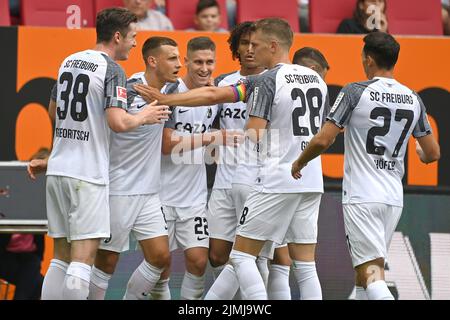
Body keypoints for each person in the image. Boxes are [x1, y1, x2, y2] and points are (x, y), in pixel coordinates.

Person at [135, 18, 329, 300]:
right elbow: (216, 93)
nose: (251, 50)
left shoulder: (267, 80)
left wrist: (171, 103)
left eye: (257, 45)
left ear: (273, 46)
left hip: (271, 180)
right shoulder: (316, 81)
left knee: (243, 257)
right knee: (306, 265)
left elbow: (252, 132)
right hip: (309, 180)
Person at [27, 8, 170, 300]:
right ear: (117, 36)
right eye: (132, 37)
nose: (133, 43)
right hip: (87, 175)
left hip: (59, 171)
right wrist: (145, 115)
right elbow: (119, 123)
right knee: (83, 260)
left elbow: (55, 112)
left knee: (60, 257)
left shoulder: (69, 60)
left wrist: (58, 150)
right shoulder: (112, 69)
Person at [291, 31, 440, 300]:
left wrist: (300, 161)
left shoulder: (354, 92)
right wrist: (418, 150)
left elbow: (324, 140)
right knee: (365, 274)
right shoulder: (413, 97)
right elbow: (432, 153)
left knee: (372, 275)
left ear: (368, 59)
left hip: (362, 197)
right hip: (393, 198)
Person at [87, 36, 182, 300]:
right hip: (119, 189)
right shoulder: (128, 90)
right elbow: (103, 127)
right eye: (172, 58)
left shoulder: (172, 90)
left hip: (149, 192)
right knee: (106, 262)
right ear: (153, 61)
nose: (179, 65)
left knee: (160, 257)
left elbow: (201, 88)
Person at [150, 36, 239, 300]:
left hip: (194, 197)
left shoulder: (214, 98)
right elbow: (166, 145)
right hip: (161, 194)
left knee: (199, 261)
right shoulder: (171, 94)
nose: (204, 68)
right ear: (185, 61)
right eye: (198, 62)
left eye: (210, 62)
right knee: (160, 264)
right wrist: (213, 137)